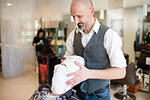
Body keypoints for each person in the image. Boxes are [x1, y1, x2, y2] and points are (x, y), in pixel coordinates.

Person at [64, 0, 127, 100]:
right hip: (79, 92)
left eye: (79, 16)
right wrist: (64, 65)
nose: (75, 21)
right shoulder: (72, 36)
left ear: (91, 11)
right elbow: (68, 59)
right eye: (73, 17)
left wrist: (89, 73)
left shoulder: (108, 35)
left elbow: (121, 72)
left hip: (100, 95)